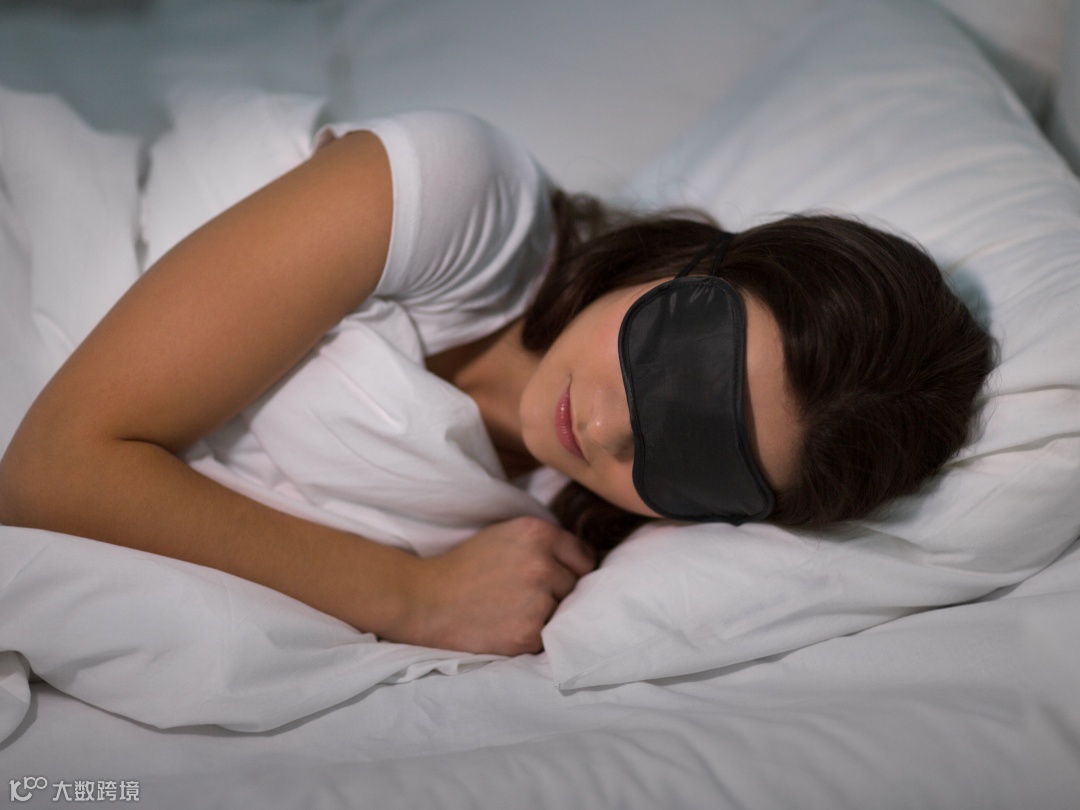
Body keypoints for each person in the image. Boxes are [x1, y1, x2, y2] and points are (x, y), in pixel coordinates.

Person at [0, 111, 994, 656]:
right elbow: (50, 468)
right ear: (695, 264)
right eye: (671, 364)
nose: (608, 430)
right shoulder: (460, 200)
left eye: (692, 457)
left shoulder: (553, 541)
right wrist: (409, 595)